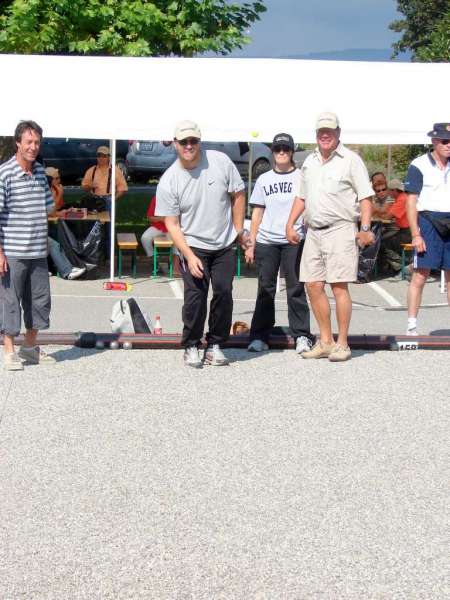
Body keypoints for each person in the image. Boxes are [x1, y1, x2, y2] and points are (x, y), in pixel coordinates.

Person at [156, 120, 248, 368]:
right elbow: (172, 224)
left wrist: (239, 230)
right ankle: (191, 345)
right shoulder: (169, 180)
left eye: (193, 141)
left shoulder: (220, 161)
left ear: (200, 141)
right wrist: (188, 254)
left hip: (223, 242)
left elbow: (238, 193)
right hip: (193, 244)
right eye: (183, 142)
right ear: (175, 144)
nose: (189, 146)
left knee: (223, 291)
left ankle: (216, 343)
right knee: (195, 298)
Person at [286, 112, 374, 362]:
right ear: (316, 135)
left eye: (330, 131)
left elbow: (365, 197)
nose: (325, 135)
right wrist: (290, 223)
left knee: (338, 286)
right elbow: (301, 197)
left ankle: (343, 343)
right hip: (313, 230)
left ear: (338, 133)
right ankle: (325, 340)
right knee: (312, 285)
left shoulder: (351, 160)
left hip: (340, 228)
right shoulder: (310, 161)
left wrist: (365, 227)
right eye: (321, 131)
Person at [245, 133, 312, 353]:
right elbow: (257, 212)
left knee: (295, 288)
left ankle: (301, 334)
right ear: (272, 152)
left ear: (292, 151)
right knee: (265, 288)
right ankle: (260, 335)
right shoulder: (264, 179)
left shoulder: (302, 177)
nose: (281, 152)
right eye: (277, 149)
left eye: (285, 149)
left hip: (293, 239)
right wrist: (252, 243)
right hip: (267, 240)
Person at [0, 120, 56, 371]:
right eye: (29, 142)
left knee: (39, 301)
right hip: (13, 251)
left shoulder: (41, 172)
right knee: (10, 302)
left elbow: (48, 208)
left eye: (37, 142)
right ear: (18, 143)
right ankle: (9, 351)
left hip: (38, 251)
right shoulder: (5, 174)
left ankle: (30, 348)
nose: (33, 147)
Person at [405, 122, 450, 336]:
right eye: (444, 141)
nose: (448, 145)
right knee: (420, 274)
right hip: (428, 221)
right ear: (434, 141)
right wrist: (416, 234)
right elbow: (411, 202)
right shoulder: (419, 164)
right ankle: (412, 324)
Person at [45, 167, 86, 280]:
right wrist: (59, 194)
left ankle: (54, 268)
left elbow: (56, 209)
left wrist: (64, 211)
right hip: (38, 228)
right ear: (49, 179)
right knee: (54, 242)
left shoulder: (54, 188)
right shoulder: (47, 191)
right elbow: (51, 212)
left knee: (56, 237)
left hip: (46, 224)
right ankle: (67, 271)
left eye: (59, 178)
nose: (59, 181)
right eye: (56, 178)